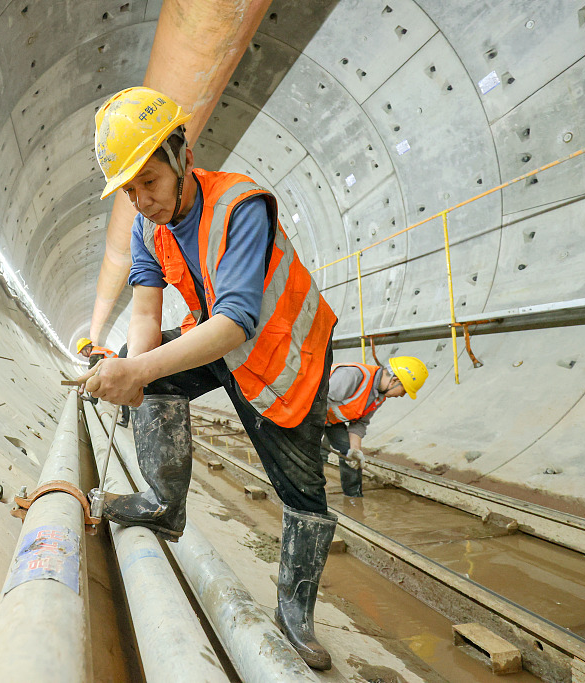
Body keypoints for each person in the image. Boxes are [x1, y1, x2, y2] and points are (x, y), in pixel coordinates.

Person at [79, 87, 340, 670]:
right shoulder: (150, 229)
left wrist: (138, 371)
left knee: (302, 490)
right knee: (146, 366)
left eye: (149, 181)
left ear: (181, 157)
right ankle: (164, 504)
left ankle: (295, 616)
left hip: (283, 358)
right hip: (220, 340)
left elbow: (238, 322)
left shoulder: (240, 206)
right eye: (129, 189)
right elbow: (146, 311)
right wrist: (134, 374)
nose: (141, 199)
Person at [325, 357, 428, 497]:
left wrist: (355, 450)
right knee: (310, 454)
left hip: (331, 419)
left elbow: (359, 424)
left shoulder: (378, 396)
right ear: (394, 381)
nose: (403, 396)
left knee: (349, 454)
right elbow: (316, 401)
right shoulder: (353, 376)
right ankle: (309, 497)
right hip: (308, 413)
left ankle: (353, 497)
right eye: (404, 390)